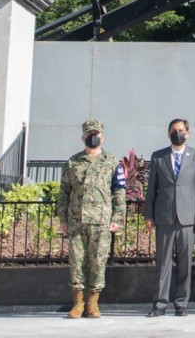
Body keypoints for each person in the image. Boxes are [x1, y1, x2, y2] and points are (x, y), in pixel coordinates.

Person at [57, 119, 126, 319]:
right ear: (83, 137)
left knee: (98, 261)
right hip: (77, 221)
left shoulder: (113, 162)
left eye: (96, 134)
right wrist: (62, 219)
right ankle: (78, 303)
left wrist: (117, 217)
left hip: (101, 221)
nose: (93, 137)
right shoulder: (73, 162)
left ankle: (92, 303)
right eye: (89, 134)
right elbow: (64, 193)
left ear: (102, 137)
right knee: (77, 262)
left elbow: (119, 192)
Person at [145, 118, 195, 317]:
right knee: (162, 264)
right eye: (174, 130)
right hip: (164, 217)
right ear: (168, 133)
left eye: (181, 130)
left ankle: (181, 304)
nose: (177, 133)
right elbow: (151, 190)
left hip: (188, 218)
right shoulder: (158, 157)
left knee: (184, 264)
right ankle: (160, 304)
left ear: (187, 133)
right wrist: (149, 215)